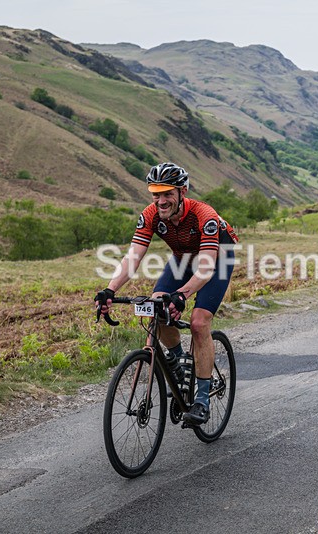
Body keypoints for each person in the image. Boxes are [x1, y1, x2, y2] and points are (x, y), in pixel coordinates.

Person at [94, 162, 239, 426]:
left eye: (167, 194)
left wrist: (183, 295)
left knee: (198, 322)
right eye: (156, 194)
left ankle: (202, 400)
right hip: (183, 258)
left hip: (217, 260)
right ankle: (178, 360)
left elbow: (205, 269)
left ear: (182, 191)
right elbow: (133, 258)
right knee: (155, 305)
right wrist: (109, 289)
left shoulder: (204, 216)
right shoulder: (150, 215)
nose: (161, 200)